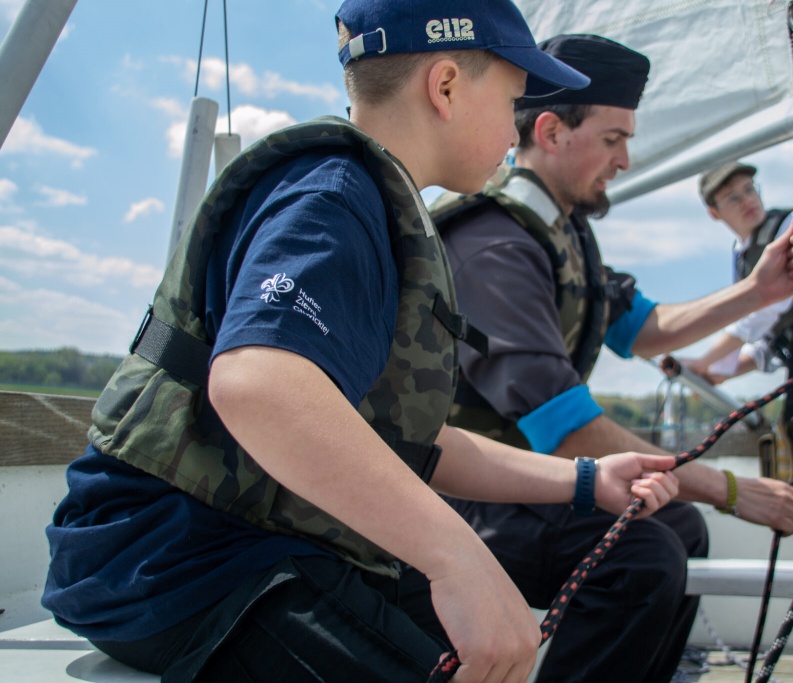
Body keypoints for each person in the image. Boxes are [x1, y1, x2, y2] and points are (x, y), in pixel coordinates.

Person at [40, 4, 684, 683]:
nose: (513, 128)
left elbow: (415, 442)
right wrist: (454, 556)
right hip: (171, 559)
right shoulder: (332, 199)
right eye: (513, 100)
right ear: (445, 87)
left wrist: (585, 478)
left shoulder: (373, 206)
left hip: (248, 542)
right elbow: (257, 383)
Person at [429, 34, 793, 683]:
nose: (627, 160)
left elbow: (644, 328)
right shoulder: (495, 246)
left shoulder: (562, 231)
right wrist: (730, 488)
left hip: (518, 487)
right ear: (551, 131)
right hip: (464, 493)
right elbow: (567, 431)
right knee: (642, 561)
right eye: (613, 139)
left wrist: (758, 290)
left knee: (679, 528)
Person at [667, 161, 793, 477]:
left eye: (749, 190)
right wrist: (720, 373)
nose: (747, 201)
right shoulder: (744, 257)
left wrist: (705, 362)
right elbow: (768, 342)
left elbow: (760, 316)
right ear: (714, 212)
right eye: (733, 198)